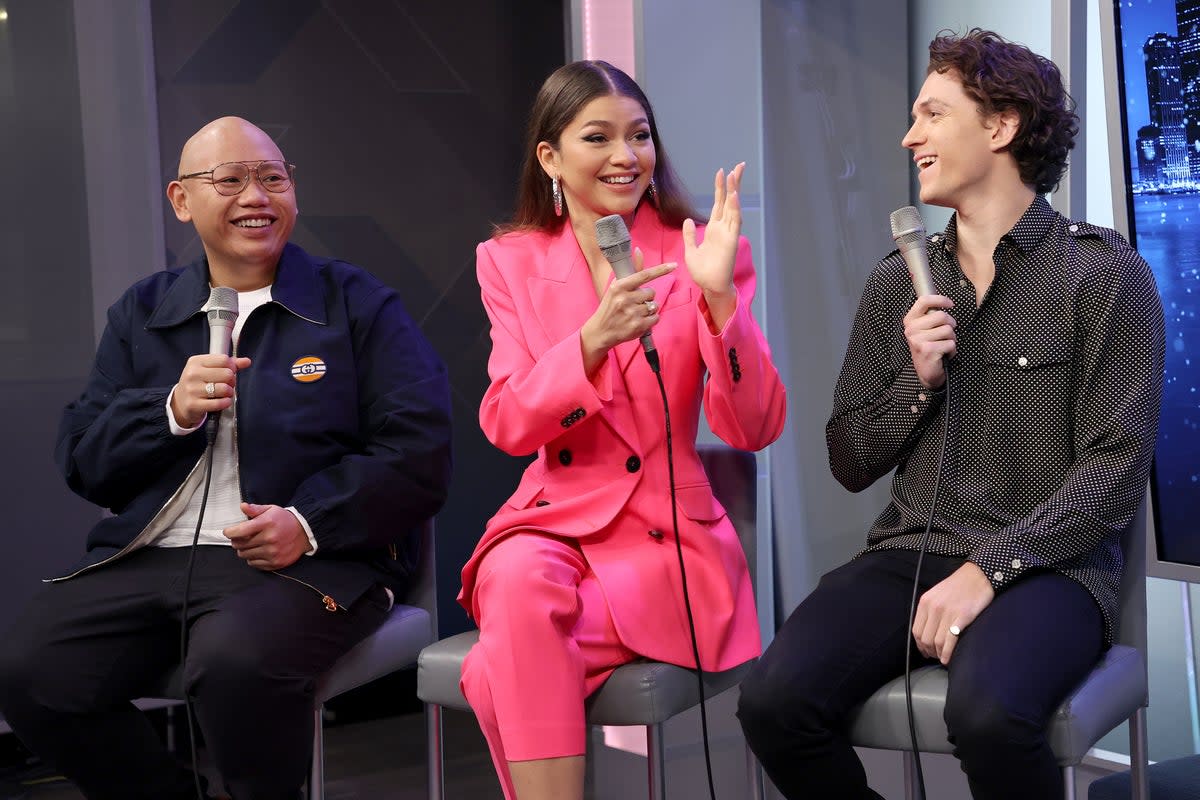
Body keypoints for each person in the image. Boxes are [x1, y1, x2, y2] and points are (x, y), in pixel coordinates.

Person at [737, 28, 1166, 800]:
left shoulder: (1105, 276)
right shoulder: (894, 283)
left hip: (1052, 568)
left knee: (992, 715)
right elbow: (848, 457)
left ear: (999, 126)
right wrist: (917, 380)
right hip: (911, 552)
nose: (910, 137)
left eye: (932, 115)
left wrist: (990, 570)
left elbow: (1114, 469)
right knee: (773, 702)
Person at [0, 117, 452, 800]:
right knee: (31, 669)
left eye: (273, 178)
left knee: (235, 662)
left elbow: (419, 446)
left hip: (311, 559)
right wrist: (169, 413)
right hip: (152, 556)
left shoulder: (355, 304)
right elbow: (84, 459)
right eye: (230, 179)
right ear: (182, 200)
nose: (256, 196)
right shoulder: (143, 313)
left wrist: (306, 521)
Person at [456, 60, 787, 800]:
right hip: (551, 519)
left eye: (639, 136)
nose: (625, 156)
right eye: (597, 137)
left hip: (667, 532)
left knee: (501, 660)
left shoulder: (698, 249)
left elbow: (754, 426)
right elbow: (508, 423)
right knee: (515, 582)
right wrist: (589, 344)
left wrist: (719, 303)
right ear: (550, 156)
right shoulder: (508, 261)